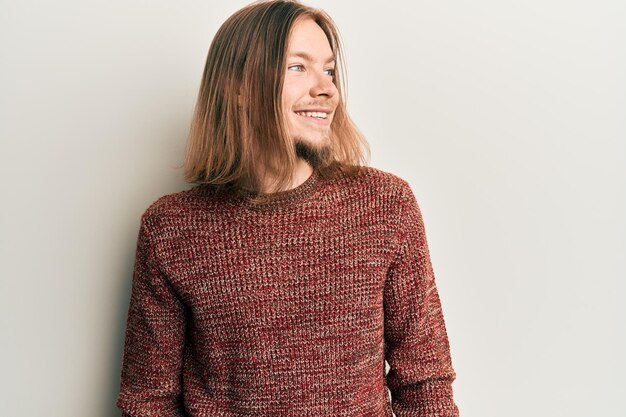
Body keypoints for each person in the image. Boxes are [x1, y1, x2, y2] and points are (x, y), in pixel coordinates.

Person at [115, 1, 460, 416]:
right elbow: (147, 400)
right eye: (298, 67)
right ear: (237, 87)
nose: (327, 89)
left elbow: (426, 384)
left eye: (329, 70)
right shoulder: (171, 228)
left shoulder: (385, 205)